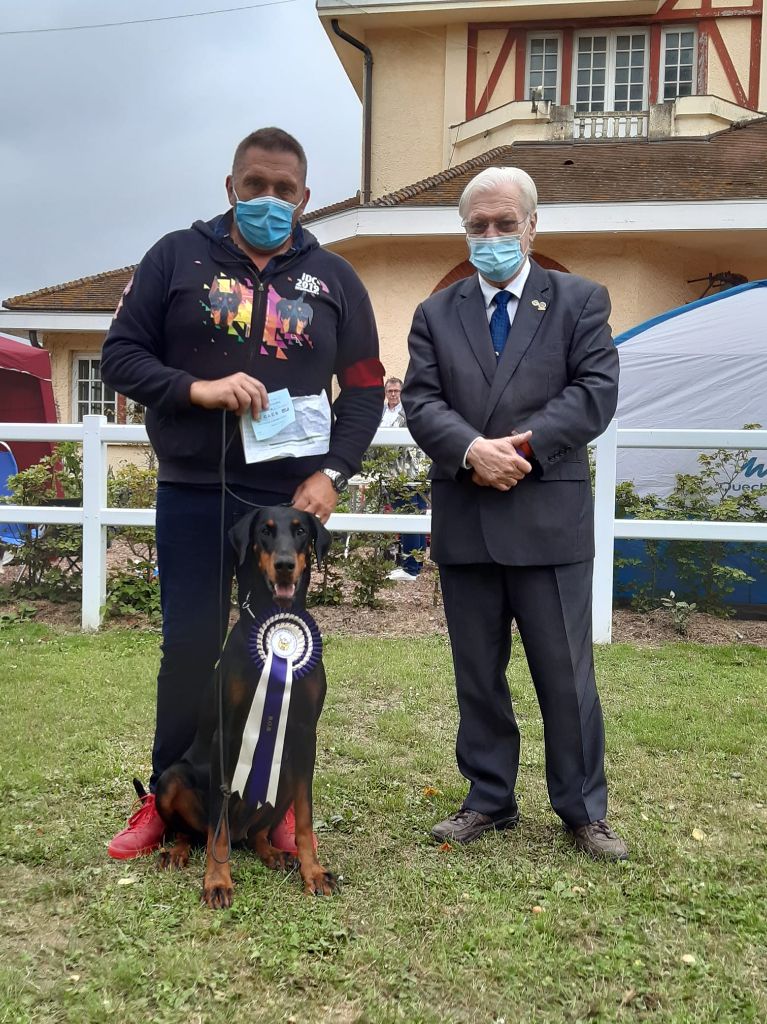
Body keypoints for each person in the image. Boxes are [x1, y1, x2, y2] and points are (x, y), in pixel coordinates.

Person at [101, 127, 384, 859]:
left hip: (285, 508)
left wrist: (333, 474)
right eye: (253, 185)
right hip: (195, 490)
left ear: (305, 196)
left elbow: (361, 391)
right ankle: (166, 801)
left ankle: (274, 806)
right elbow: (119, 357)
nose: (268, 199)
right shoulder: (175, 257)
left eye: (282, 188)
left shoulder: (335, 280)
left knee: (279, 657)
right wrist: (195, 388)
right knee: (191, 648)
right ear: (230, 187)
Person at [402, 166, 627, 860]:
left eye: (504, 224)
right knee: (477, 674)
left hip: (547, 522)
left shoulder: (578, 301)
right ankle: (488, 799)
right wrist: (471, 450)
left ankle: (581, 810)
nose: (492, 237)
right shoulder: (436, 312)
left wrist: (517, 448)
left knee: (565, 678)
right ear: (465, 231)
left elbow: (594, 391)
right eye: (478, 226)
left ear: (532, 225)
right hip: (467, 521)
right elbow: (420, 401)